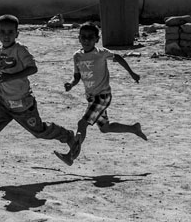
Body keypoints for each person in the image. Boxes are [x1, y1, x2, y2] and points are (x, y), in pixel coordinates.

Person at [0, 14, 75, 180]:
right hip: (3, 103)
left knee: (39, 131)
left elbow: (33, 68)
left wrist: (10, 78)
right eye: (2, 32)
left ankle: (68, 136)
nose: (6, 35)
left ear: (17, 33)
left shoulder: (20, 49)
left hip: (22, 105)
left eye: (10, 32)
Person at [57, 22, 147, 166]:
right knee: (105, 128)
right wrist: (71, 84)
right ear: (78, 38)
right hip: (92, 98)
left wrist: (132, 73)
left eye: (90, 37)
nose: (86, 40)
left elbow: (118, 58)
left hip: (103, 97)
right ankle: (133, 128)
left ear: (97, 39)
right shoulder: (77, 56)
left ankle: (70, 156)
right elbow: (77, 77)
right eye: (83, 37)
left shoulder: (101, 53)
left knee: (82, 123)